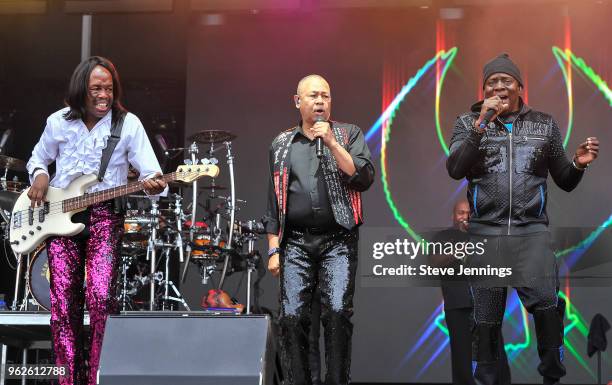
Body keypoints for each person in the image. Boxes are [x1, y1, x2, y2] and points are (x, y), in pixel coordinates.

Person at [446, 53, 599, 385]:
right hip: (486, 234)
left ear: (519, 86)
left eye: (506, 80)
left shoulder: (544, 123)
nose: (499, 86)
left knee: (546, 305)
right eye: (492, 82)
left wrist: (578, 164)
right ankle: (486, 379)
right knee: (485, 319)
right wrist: (480, 125)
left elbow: (564, 180)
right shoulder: (466, 123)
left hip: (532, 233)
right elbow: (455, 168)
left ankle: (551, 376)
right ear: (484, 90)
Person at [26, 56, 166, 385]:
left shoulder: (127, 124)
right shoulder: (58, 121)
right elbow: (38, 158)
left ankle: (97, 378)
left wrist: (156, 183)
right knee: (63, 304)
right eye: (96, 89)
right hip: (61, 217)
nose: (103, 94)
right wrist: (41, 176)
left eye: (108, 88)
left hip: (105, 218)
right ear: (80, 91)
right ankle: (68, 379)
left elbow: (151, 173)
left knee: (102, 299)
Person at [263, 74, 374, 385]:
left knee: (338, 312)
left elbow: (364, 178)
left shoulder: (348, 134)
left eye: (325, 95)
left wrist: (332, 143)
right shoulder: (281, 144)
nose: (320, 101)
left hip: (338, 239)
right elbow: (274, 202)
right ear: (298, 102)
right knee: (293, 317)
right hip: (295, 242)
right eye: (313, 96)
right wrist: (274, 248)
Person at [431, 199, 511, 385]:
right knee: (462, 358)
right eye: (461, 212)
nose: (465, 217)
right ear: (453, 216)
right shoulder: (443, 237)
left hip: (485, 306)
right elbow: (434, 263)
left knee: (495, 354)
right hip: (458, 306)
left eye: (469, 213)